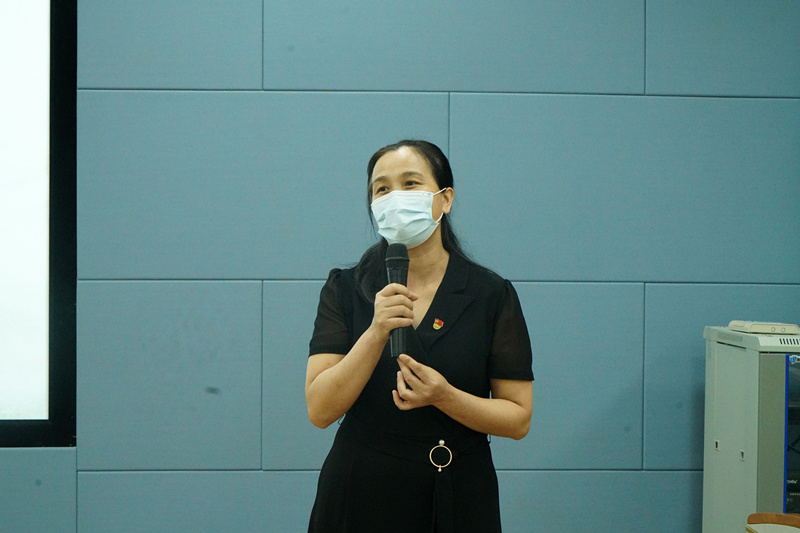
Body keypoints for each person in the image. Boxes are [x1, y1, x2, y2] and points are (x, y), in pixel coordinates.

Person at [305, 140, 534, 533]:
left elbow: (518, 419)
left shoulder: (490, 294)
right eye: (382, 189)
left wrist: (444, 396)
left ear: (445, 199)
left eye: (410, 183)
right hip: (362, 491)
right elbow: (320, 410)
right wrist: (376, 332)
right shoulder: (345, 288)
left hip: (457, 488)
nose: (395, 197)